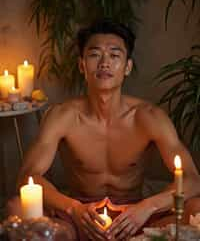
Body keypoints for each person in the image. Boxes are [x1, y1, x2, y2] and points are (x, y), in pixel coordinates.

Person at [7, 19, 200, 241]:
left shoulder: (149, 117)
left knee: (196, 208)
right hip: (80, 216)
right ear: (81, 65)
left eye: (115, 55)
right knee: (16, 207)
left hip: (136, 216)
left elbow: (193, 179)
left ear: (127, 67)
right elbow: (27, 176)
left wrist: (148, 207)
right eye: (95, 54)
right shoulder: (63, 116)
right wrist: (73, 209)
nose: (104, 63)